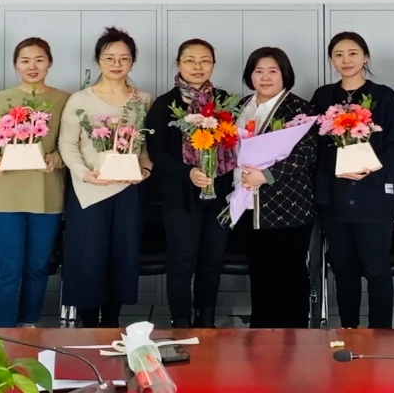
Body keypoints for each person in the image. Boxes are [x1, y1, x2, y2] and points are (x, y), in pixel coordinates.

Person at [310, 32, 394, 330]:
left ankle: (381, 334)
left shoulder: (383, 95)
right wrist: (334, 170)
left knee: (377, 269)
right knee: (344, 268)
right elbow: (312, 145)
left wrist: (374, 172)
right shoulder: (323, 96)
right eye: (338, 54)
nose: (346, 60)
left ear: (366, 57)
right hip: (334, 198)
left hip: (373, 196)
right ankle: (349, 330)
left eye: (353, 53)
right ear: (331, 60)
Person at [59, 27, 153, 328]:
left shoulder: (143, 100)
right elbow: (67, 144)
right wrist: (84, 174)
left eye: (124, 58)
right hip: (89, 190)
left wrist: (145, 171)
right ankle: (88, 325)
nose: (116, 63)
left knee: (122, 258)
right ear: (98, 60)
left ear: (132, 62)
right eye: (109, 57)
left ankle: (112, 322)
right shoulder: (80, 100)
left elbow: (146, 147)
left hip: (128, 191)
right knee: (89, 258)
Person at [0, 37, 70, 329]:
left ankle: (29, 324)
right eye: (25, 61)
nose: (32, 66)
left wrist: (56, 159)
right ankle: (5, 330)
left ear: (50, 63)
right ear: (15, 65)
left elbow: (71, 144)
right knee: (8, 268)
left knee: (38, 266)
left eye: (39, 60)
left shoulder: (64, 100)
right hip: (4, 195)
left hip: (45, 194)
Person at [147, 38, 235, 329]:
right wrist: (189, 173)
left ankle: (206, 319)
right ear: (178, 64)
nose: (198, 67)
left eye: (205, 60)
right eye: (190, 60)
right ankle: (181, 320)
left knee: (212, 258)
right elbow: (157, 152)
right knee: (182, 260)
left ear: (213, 64)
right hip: (180, 196)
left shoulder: (223, 101)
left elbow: (236, 142)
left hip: (219, 194)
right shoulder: (165, 104)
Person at [234, 46, 316, 329]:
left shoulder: (299, 108)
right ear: (250, 75)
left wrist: (266, 175)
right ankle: (262, 335)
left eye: (273, 71)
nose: (265, 77)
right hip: (249, 206)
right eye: (259, 71)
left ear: (285, 75)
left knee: (289, 274)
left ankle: (294, 336)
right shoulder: (240, 106)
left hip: (288, 206)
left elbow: (306, 154)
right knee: (261, 273)